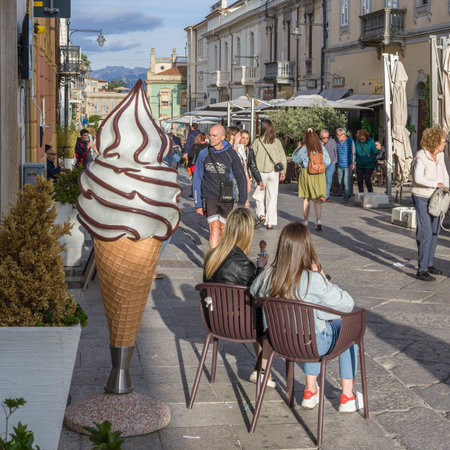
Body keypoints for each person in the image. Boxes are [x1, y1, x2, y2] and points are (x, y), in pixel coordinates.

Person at [250, 222, 363, 413]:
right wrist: (324, 278)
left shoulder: (269, 274)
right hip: (311, 343)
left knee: (312, 327)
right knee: (348, 331)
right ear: (306, 248)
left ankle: (311, 391)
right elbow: (347, 303)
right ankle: (347, 396)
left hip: (280, 342)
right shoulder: (313, 279)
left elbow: (254, 291)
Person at [203, 207, 273, 386]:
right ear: (246, 234)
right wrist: (260, 269)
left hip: (214, 321)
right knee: (269, 317)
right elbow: (259, 293)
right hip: (240, 326)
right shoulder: (244, 266)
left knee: (254, 313)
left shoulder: (211, 256)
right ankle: (264, 370)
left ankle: (262, 368)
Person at [193, 125, 248, 248]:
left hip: (226, 196)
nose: (210, 138)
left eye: (214, 136)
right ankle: (213, 262)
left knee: (223, 229)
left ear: (223, 137)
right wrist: (197, 204)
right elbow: (197, 178)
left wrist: (242, 201)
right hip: (209, 196)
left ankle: (220, 257)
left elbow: (240, 177)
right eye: (210, 135)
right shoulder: (203, 153)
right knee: (214, 228)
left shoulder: (231, 154)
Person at [411, 126, 449, 281]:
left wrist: (447, 187)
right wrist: (436, 184)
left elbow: (444, 174)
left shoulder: (439, 156)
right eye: (443, 141)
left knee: (435, 231)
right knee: (425, 231)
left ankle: (430, 262)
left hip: (437, 197)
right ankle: (422, 269)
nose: (445, 143)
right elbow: (418, 179)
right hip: (421, 196)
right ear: (434, 141)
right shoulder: (421, 156)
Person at [292, 128, 330, 231]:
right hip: (319, 175)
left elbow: (295, 158)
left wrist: (299, 147)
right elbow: (328, 161)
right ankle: (318, 220)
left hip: (307, 173)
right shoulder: (321, 147)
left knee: (306, 199)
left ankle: (305, 220)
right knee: (317, 199)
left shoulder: (304, 148)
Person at [252, 119, 287, 230]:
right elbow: (282, 157)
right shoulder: (276, 142)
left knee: (259, 195)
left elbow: (252, 159)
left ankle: (261, 215)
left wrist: (250, 173)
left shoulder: (257, 142)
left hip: (260, 172)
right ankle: (270, 222)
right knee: (272, 197)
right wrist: (283, 171)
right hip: (274, 172)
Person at [240, 130, 264, 199]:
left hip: (244, 179)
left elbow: (253, 167)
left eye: (247, 139)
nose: (245, 140)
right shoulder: (234, 149)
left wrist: (259, 181)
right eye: (243, 138)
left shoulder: (249, 151)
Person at [336, 128, 355, 203]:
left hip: (348, 164)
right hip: (340, 164)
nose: (337, 136)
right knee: (340, 181)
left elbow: (354, 152)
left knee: (346, 181)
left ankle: (346, 197)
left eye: (338, 135)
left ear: (343, 134)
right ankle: (348, 193)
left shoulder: (350, 141)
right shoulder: (337, 142)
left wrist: (352, 163)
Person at [320, 129, 337, 203]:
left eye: (327, 137)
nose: (326, 139)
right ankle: (322, 195)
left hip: (330, 164)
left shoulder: (332, 141)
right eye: (324, 138)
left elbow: (336, 151)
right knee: (321, 180)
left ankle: (325, 196)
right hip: (321, 164)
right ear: (320, 136)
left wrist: (334, 161)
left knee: (328, 180)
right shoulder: (318, 143)